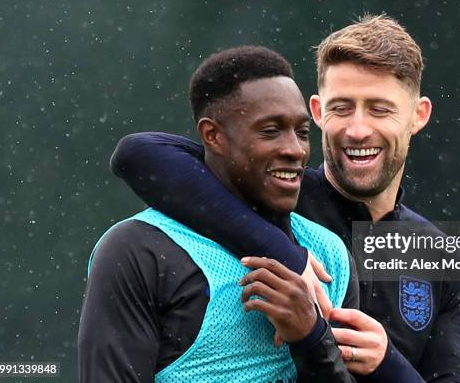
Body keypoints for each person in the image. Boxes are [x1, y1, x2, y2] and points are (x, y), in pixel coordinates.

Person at [111, 15, 460, 382]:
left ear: (418, 115)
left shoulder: (439, 256)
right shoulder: (272, 198)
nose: (358, 129)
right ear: (316, 111)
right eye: (341, 108)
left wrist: (387, 365)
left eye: (380, 109)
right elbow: (138, 154)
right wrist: (286, 254)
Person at [78, 46, 360, 382]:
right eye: (270, 131)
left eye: (302, 132)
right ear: (213, 136)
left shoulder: (329, 255)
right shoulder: (139, 251)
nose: (295, 149)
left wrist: (311, 338)